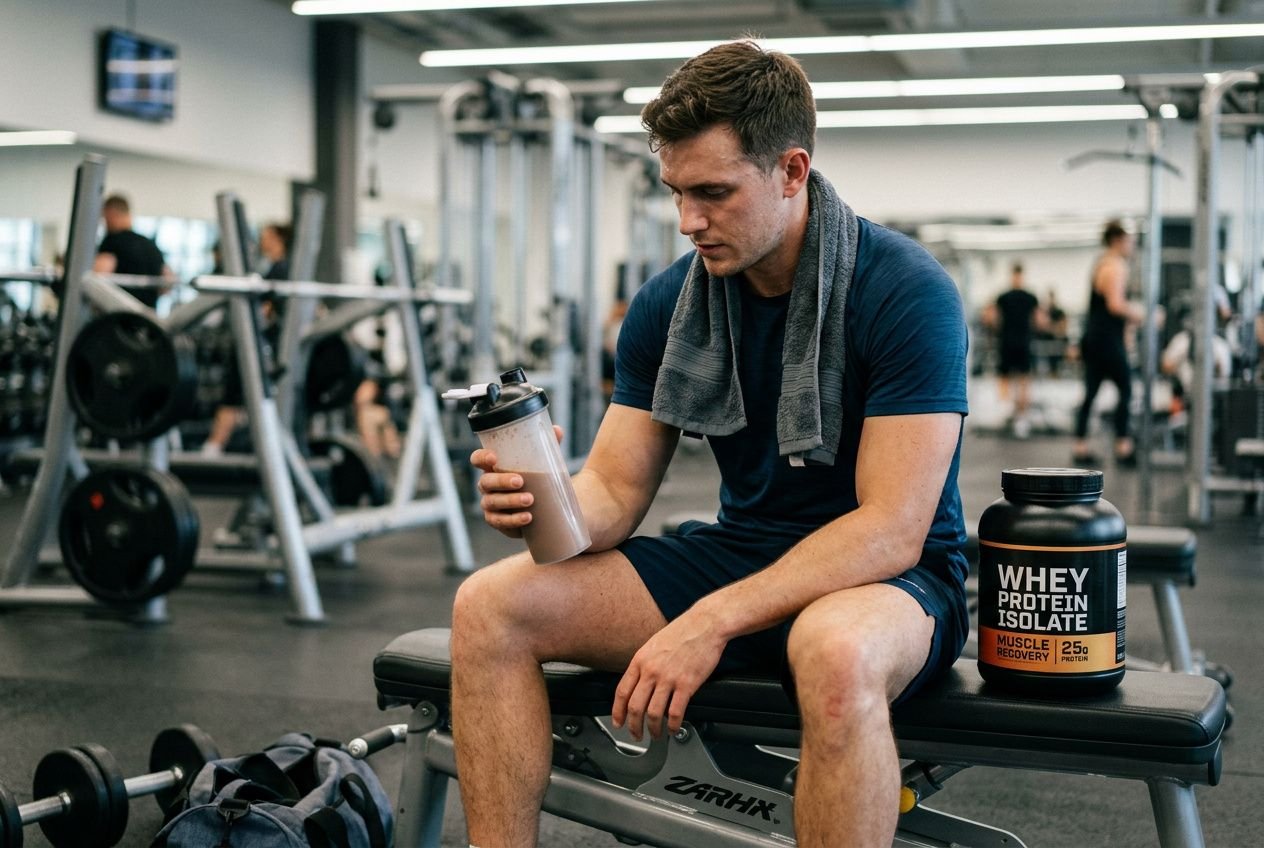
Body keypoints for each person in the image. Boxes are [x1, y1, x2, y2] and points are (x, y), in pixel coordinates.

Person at [450, 40, 969, 848]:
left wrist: (712, 620)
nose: (689, 221)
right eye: (678, 194)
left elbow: (892, 528)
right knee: (490, 606)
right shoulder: (669, 305)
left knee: (834, 650)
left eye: (714, 193)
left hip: (890, 581)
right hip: (742, 552)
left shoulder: (904, 290)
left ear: (791, 171)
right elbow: (615, 491)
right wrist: (543, 501)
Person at [1072, 220, 1143, 466]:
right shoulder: (1115, 266)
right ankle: (1123, 447)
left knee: (1091, 393)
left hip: (1097, 338)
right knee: (1126, 388)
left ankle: (1080, 447)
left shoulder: (1102, 262)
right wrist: (1142, 314)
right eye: (1130, 241)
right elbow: (1115, 305)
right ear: (1117, 240)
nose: (1133, 246)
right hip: (1105, 340)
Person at [993, 262, 1044, 438]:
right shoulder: (1004, 297)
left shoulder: (1028, 297)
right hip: (1009, 342)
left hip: (1020, 342)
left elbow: (1038, 320)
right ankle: (1010, 413)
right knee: (1006, 379)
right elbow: (994, 318)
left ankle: (1020, 417)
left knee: (1022, 380)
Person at [94, 193, 171, 308]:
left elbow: (98, 277)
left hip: (117, 314)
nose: (105, 223)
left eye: (105, 218)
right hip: (147, 315)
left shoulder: (112, 242)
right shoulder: (150, 245)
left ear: (111, 214)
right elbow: (167, 284)